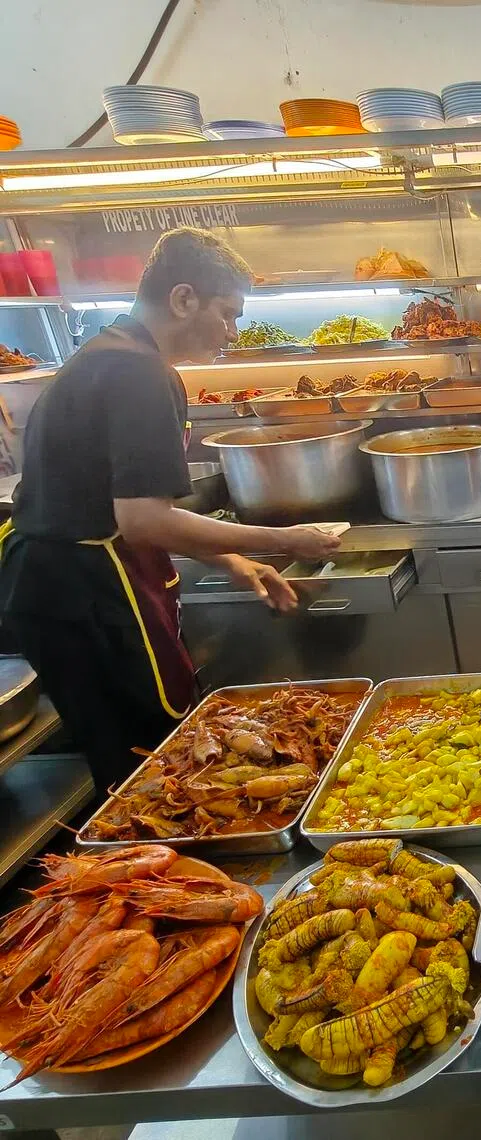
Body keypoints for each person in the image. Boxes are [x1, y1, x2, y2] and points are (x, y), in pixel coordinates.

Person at [0, 227, 340, 790]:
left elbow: (126, 509)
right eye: (227, 314)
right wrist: (287, 540)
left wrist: (232, 560)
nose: (232, 332)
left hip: (57, 586)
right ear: (183, 299)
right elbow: (143, 520)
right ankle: (156, 868)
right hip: (87, 592)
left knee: (131, 753)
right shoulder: (140, 374)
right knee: (149, 762)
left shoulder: (108, 353)